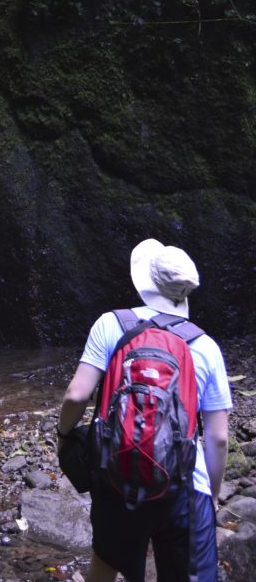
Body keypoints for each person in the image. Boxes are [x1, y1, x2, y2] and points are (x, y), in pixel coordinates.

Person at [57, 238, 232, 582]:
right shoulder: (205, 346)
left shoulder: (112, 324)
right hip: (184, 484)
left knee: (104, 569)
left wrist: (63, 436)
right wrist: (210, 495)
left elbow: (76, 396)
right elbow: (219, 437)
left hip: (116, 474)